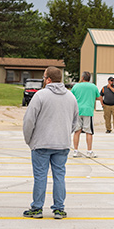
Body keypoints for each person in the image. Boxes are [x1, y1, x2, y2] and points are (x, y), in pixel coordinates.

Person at [23, 66, 79, 219]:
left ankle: (37, 208)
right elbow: (75, 121)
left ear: (48, 79)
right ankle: (59, 208)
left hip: (41, 143)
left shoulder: (40, 95)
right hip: (62, 144)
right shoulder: (70, 97)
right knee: (59, 176)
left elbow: (29, 120)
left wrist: (29, 139)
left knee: (40, 176)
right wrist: (65, 133)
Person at [71, 71, 101, 158]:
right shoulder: (93, 86)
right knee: (89, 131)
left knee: (77, 131)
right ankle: (89, 151)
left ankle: (76, 151)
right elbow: (98, 97)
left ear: (82, 78)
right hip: (88, 111)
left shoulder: (76, 86)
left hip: (77, 111)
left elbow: (71, 96)